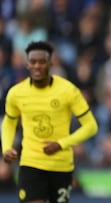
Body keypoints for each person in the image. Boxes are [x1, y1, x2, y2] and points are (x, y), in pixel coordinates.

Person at [1, 41, 98, 203]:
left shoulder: (68, 91)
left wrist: (61, 143)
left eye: (42, 62)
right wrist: (6, 147)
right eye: (33, 62)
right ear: (27, 65)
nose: (37, 66)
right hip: (30, 163)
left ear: (51, 64)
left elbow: (91, 126)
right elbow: (9, 122)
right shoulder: (16, 93)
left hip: (60, 165)